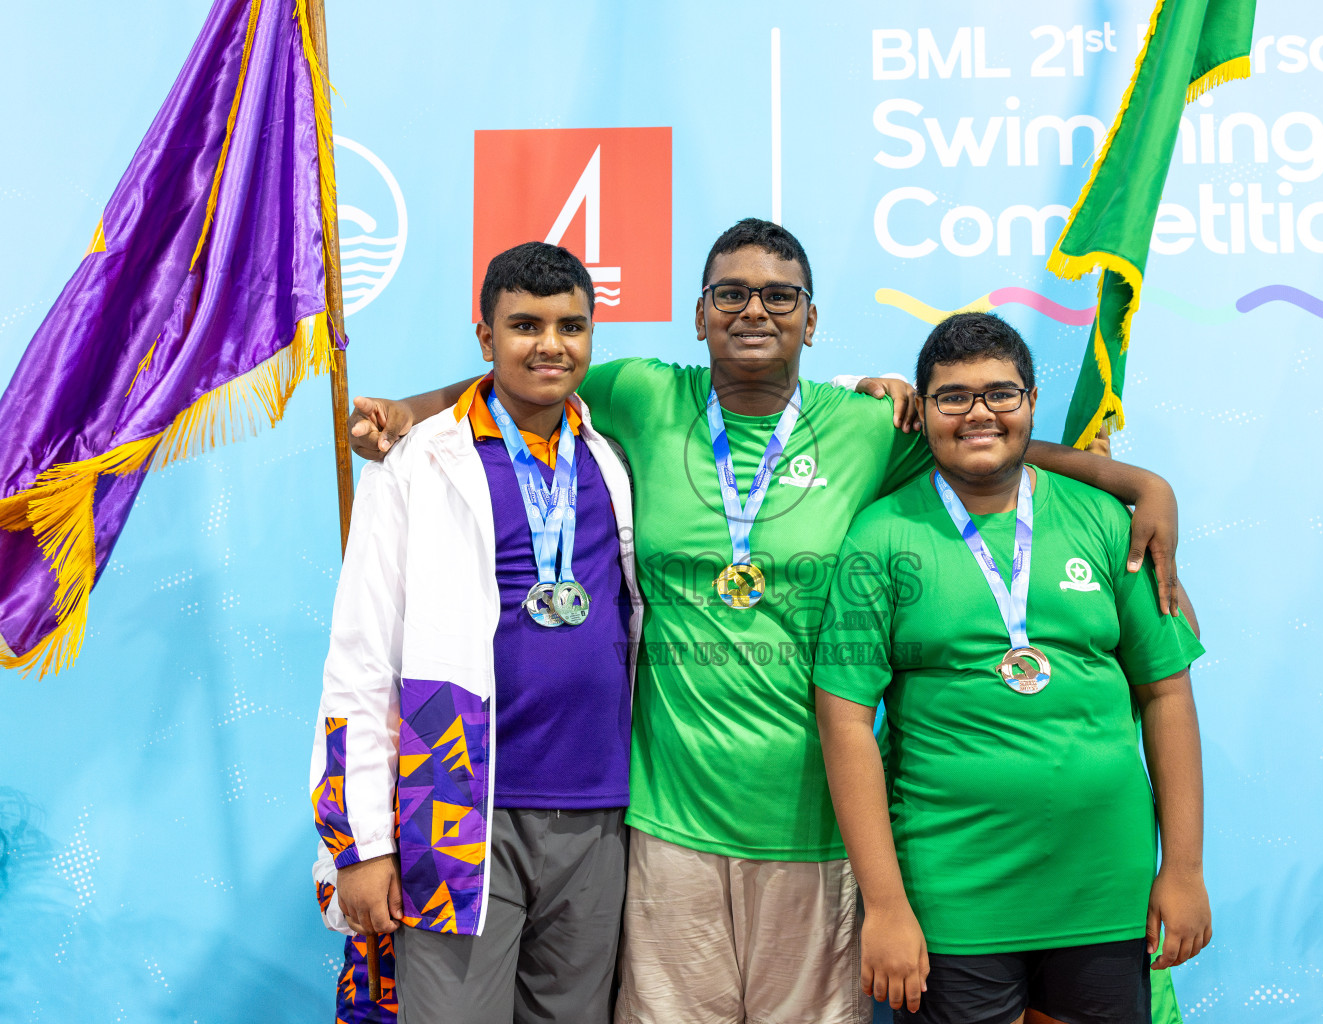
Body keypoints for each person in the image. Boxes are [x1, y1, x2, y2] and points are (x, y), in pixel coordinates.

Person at [346, 218, 1187, 1024]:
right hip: (666, 822)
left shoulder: (868, 423)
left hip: (817, 827)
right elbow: (520, 378)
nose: (755, 310)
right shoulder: (638, 393)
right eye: (732, 294)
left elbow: (980, 437)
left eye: (781, 297)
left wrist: (1141, 485)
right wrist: (410, 412)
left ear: (813, 320)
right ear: (699, 313)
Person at [815, 312, 1210, 1024]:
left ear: (1030, 402)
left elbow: (1168, 694)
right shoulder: (878, 537)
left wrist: (1182, 870)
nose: (979, 414)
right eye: (953, 397)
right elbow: (843, 719)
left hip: (1104, 894)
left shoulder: (1111, 523)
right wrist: (886, 905)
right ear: (925, 411)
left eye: (1001, 394)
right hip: (953, 899)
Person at [309, 241, 643, 1023]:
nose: (550, 345)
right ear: (485, 339)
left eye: (571, 326)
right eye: (525, 325)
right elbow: (358, 665)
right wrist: (359, 846)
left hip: (601, 809)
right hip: (456, 804)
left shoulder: (610, 460)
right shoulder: (420, 465)